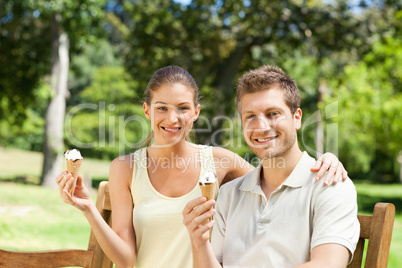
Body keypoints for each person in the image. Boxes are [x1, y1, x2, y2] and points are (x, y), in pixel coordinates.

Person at [56, 66, 349, 268]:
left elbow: (274, 176)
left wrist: (325, 161)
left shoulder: (221, 163)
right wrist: (88, 208)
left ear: (196, 112)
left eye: (183, 108)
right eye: (162, 108)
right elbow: (126, 259)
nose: (172, 119)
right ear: (147, 110)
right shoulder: (126, 168)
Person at [183, 65, 360, 268]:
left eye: (273, 113)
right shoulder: (229, 194)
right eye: (250, 116)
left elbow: (328, 264)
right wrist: (199, 241)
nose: (261, 126)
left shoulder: (330, 185)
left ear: (297, 118)